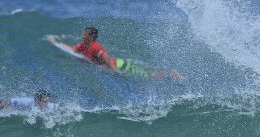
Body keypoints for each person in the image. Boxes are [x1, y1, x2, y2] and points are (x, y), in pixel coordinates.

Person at [49, 27, 181, 80]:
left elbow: (105, 57)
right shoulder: (83, 44)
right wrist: (57, 43)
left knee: (147, 76)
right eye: (83, 33)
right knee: (144, 75)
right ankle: (168, 75)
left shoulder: (96, 47)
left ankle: (172, 75)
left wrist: (114, 71)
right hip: (116, 63)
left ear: (91, 36)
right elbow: (73, 49)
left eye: (85, 33)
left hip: (119, 65)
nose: (83, 34)